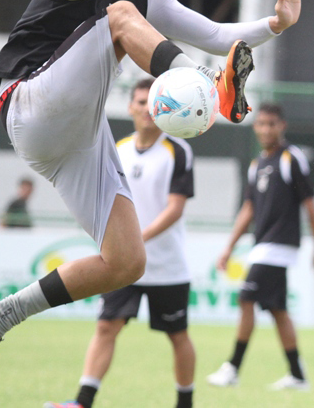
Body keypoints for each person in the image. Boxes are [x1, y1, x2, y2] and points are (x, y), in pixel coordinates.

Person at [0, 0, 301, 369]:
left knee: (126, 262)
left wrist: (275, 23)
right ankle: (208, 85)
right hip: (29, 101)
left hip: (73, 138)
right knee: (119, 15)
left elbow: (215, 34)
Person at [44, 79, 197, 408]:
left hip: (166, 266)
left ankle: (185, 404)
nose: (146, 109)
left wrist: (133, 241)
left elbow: (175, 209)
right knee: (105, 328)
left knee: (178, 336)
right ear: (130, 107)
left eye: (151, 103)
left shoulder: (178, 150)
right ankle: (82, 402)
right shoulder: (120, 149)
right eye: (140, 102)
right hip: (121, 265)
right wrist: (117, 242)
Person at [207, 103, 314, 391]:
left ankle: (232, 367)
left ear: (282, 126)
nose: (265, 129)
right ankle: (297, 374)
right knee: (277, 310)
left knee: (247, 299)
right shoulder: (257, 164)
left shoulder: (291, 158)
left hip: (280, 246)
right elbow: (249, 208)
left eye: (271, 124)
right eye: (261, 124)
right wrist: (228, 247)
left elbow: (310, 205)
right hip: (262, 245)